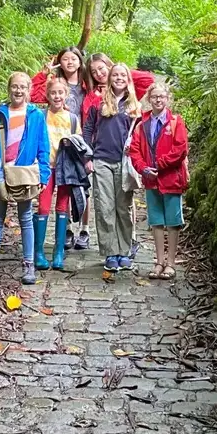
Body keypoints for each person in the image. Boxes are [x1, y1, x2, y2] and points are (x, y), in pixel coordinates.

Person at [0, 72, 50, 287]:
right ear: (9, 88)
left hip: (24, 171)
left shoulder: (36, 116)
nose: (18, 91)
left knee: (25, 217)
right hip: (1, 170)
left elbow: (43, 146)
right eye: (15, 86)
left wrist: (43, 173)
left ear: (29, 90)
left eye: (22, 87)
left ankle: (28, 265)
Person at [83, 61, 140, 275]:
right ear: (109, 78)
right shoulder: (99, 103)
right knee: (105, 207)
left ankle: (124, 251)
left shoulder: (133, 106)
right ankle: (110, 252)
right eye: (115, 75)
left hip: (124, 162)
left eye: (123, 75)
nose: (118, 78)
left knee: (123, 208)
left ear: (128, 79)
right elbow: (88, 130)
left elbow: (140, 136)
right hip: (102, 160)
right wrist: (88, 156)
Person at [129, 79, 189, 278]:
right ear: (148, 99)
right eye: (154, 97)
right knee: (156, 222)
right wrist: (143, 168)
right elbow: (135, 150)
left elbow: (180, 149)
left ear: (167, 99)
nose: (158, 100)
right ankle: (159, 262)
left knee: (172, 222)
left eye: (162, 96)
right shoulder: (142, 124)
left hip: (171, 179)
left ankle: (170, 263)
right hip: (151, 180)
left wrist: (159, 164)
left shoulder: (176, 122)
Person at [34, 75, 77, 271]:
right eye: (53, 93)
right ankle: (38, 252)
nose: (57, 96)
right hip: (46, 168)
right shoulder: (41, 116)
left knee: (62, 207)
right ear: (47, 95)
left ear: (66, 94)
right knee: (43, 207)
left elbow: (78, 143)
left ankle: (58, 252)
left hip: (65, 168)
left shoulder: (72, 118)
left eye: (60, 92)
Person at [29, 47, 86, 119]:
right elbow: (32, 96)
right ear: (60, 64)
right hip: (56, 123)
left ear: (80, 63)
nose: (70, 62)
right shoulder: (54, 82)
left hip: (80, 125)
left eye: (73, 59)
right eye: (65, 59)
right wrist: (43, 75)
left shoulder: (87, 84)